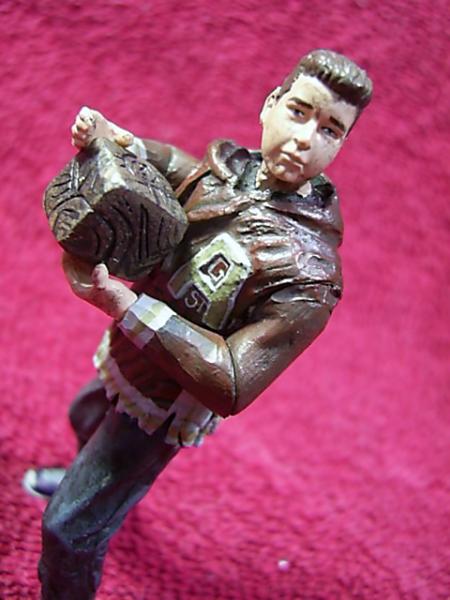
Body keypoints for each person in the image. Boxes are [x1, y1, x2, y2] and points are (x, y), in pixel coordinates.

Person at [33, 49, 372, 599]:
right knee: (84, 414)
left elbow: (233, 379)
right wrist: (120, 143)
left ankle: (85, 512)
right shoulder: (230, 171)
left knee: (66, 530)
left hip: (165, 399)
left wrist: (128, 308)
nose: (305, 138)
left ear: (341, 145)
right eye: (299, 111)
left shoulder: (307, 273)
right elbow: (178, 168)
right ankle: (88, 487)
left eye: (330, 130)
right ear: (270, 105)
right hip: (129, 351)